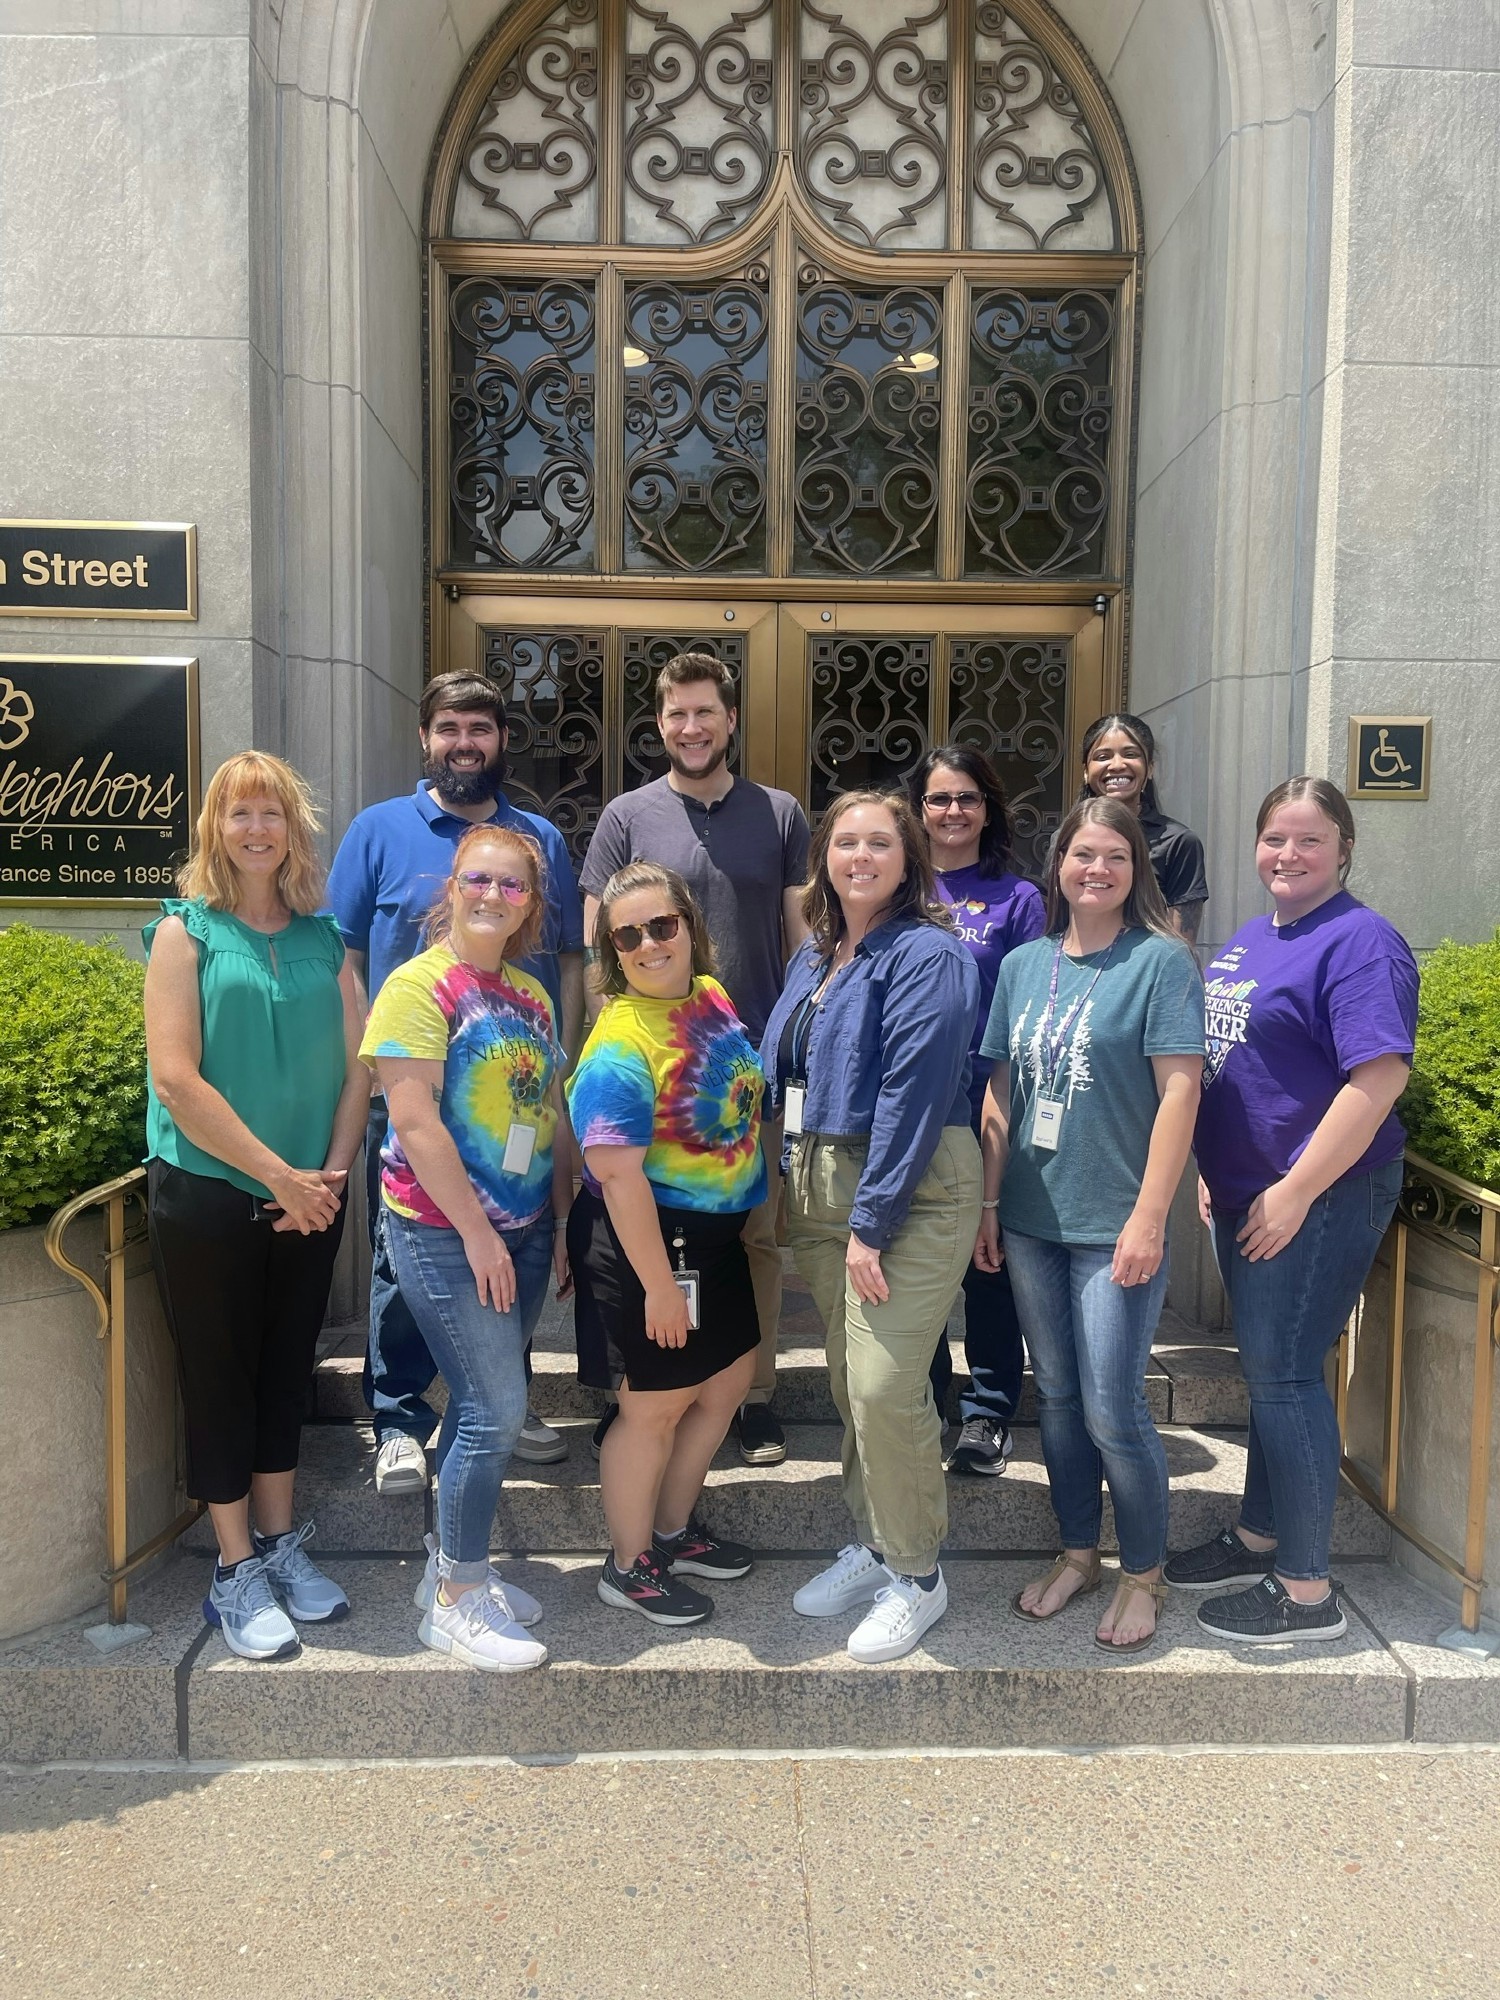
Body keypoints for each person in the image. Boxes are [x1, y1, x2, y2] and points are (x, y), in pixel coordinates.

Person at [1166, 777, 1417, 1644]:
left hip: (1318, 1194)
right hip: (1249, 1192)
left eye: (1309, 841)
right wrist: (1218, 1168)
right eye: (1275, 838)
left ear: (1344, 849)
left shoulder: (1360, 942)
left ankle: (1306, 1593)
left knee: (1285, 1377)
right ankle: (1259, 1537)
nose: (1288, 855)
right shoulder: (1254, 934)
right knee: (1271, 1373)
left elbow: (1379, 1078)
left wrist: (1296, 1188)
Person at [327, 672, 585, 1491]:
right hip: (413, 1087)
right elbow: (346, 956)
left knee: (515, 1241)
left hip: (512, 1097)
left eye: (480, 727)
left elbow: (569, 957)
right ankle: (400, 1416)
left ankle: (500, 1395)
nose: (464, 742)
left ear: (502, 739)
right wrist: (365, 1066)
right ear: (426, 738)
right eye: (448, 727)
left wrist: (564, 1062)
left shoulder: (539, 835)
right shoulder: (377, 830)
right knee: (401, 1262)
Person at [143, 753, 369, 1660]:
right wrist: (281, 1176)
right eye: (239, 814)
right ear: (215, 829)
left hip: (314, 1196)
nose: (256, 829)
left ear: (294, 830)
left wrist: (331, 1177)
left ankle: (279, 1544)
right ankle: (233, 1566)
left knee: (287, 1373)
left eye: (271, 813)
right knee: (219, 1376)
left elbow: (363, 1067)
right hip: (210, 1195)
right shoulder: (183, 933)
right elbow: (176, 1077)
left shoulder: (326, 940)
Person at [977, 796, 1204, 1653]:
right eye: (1083, 855)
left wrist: (1152, 1216)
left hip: (1117, 1226)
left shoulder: (1163, 963)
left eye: (1115, 855)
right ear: (1059, 866)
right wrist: (992, 1203)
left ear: (1135, 868)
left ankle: (1144, 1572)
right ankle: (1079, 1551)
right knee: (1062, 1400)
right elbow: (1001, 1093)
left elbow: (1181, 1090)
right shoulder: (1023, 966)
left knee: (1115, 1408)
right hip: (1033, 1220)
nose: (1097, 869)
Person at [760, 792, 981, 1664]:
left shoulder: (929, 954)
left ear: (909, 856)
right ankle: (879, 1541)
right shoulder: (814, 956)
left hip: (907, 1189)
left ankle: (920, 1576)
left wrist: (872, 1223)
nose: (860, 855)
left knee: (888, 1386)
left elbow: (914, 1094)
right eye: (845, 841)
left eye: (879, 842)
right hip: (818, 1186)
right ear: (824, 857)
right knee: (853, 1384)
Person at [580, 651, 809, 1467]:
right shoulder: (626, 815)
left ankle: (753, 1396)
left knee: (754, 1242)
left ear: (730, 720)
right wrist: (620, 1057)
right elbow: (598, 943)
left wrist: (794, 1050)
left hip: (746, 1080)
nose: (691, 726)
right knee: (653, 1233)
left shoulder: (779, 813)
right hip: (658, 1081)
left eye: (705, 712)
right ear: (662, 723)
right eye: (677, 714)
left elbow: (802, 940)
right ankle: (649, 1392)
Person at [361, 824, 572, 1672]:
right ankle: (455, 1598)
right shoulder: (417, 988)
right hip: (447, 1235)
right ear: (451, 886)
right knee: (495, 1409)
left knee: (480, 1409)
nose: (493, 895)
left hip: (521, 1233)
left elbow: (541, 1114)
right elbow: (413, 1124)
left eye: (512, 885)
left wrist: (549, 1221)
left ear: (529, 902)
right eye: (479, 880)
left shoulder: (529, 993)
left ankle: (445, 1573)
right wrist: (481, 1235)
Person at [566, 863, 765, 1626]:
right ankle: (628, 1565)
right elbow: (618, 1181)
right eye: (630, 935)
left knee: (724, 1384)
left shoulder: (709, 997)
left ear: (689, 926)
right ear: (611, 951)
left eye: (663, 925)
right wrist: (655, 1286)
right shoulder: (618, 1046)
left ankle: (674, 1532)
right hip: (651, 1244)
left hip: (715, 1239)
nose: (650, 944)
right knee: (652, 1407)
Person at [909, 744, 1045, 1475]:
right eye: (939, 798)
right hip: (909, 1108)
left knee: (986, 1263)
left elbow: (1028, 1009)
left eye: (967, 798)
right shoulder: (900, 887)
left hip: (988, 1101)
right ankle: (926, 1399)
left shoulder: (1018, 900)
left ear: (988, 809)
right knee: (914, 1264)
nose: (953, 811)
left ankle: (989, 1411)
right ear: (918, 809)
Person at [1078, 712, 1208, 941]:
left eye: (1130, 754)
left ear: (1149, 768)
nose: (1117, 765)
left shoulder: (1179, 843)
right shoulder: (1066, 840)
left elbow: (1182, 949)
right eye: (1103, 756)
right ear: (1086, 772)